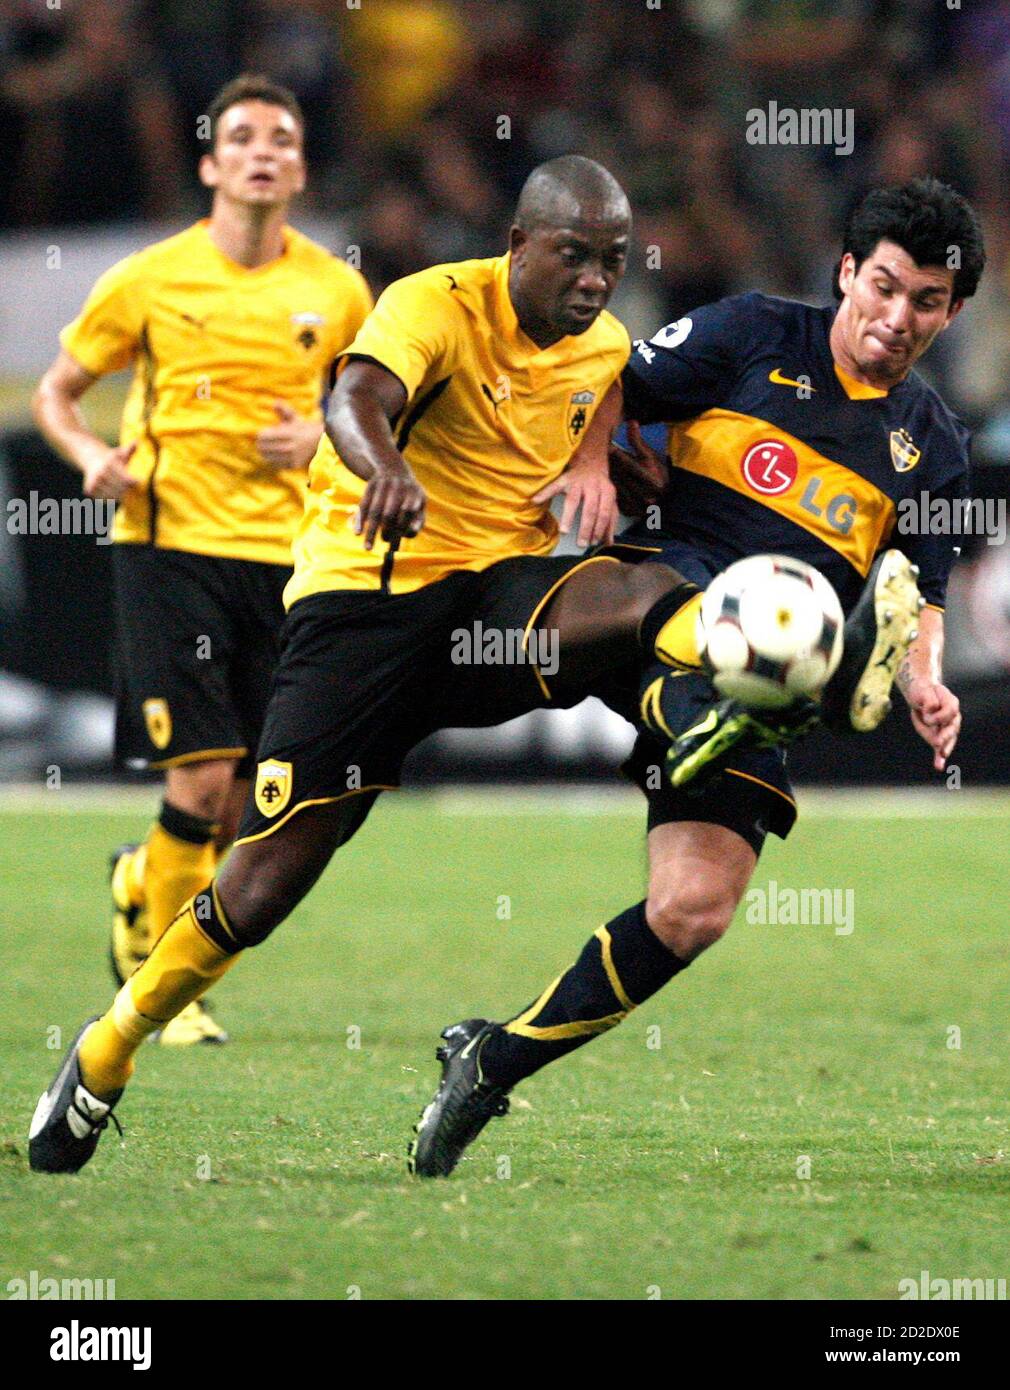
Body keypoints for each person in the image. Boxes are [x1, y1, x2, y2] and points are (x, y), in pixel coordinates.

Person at [407, 176, 985, 1178]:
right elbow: (613, 380)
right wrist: (594, 462)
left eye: (924, 302)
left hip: (769, 664)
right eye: (882, 288)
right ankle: (738, 699)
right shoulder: (753, 332)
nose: (895, 320)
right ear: (845, 272)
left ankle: (488, 1062)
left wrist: (925, 678)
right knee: (714, 645)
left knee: (692, 909)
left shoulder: (930, 449)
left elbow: (919, 591)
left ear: (952, 310)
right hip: (647, 595)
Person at [31, 73, 373, 1045]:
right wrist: (96, 455)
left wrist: (316, 438)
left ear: (298, 167)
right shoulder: (149, 278)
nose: (263, 149)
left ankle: (144, 880)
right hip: (167, 543)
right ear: (211, 163)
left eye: (281, 136)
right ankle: (159, 987)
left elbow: (374, 412)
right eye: (244, 137)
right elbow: (58, 392)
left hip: (291, 558)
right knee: (201, 774)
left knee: (246, 803)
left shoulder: (336, 289)